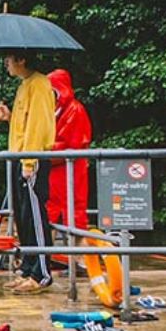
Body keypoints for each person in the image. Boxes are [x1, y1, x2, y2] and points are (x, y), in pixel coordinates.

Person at [0, 53, 56, 294]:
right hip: (19, 156)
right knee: (22, 216)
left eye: (9, 59)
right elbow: (25, 124)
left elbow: (38, 126)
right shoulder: (24, 85)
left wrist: (29, 160)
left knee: (35, 215)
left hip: (32, 158)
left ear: (22, 59)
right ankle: (28, 268)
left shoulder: (40, 84)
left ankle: (42, 273)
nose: (6, 63)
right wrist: (9, 118)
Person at [44, 69, 92, 230]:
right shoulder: (53, 111)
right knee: (49, 215)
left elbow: (72, 144)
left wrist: (42, 152)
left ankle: (77, 254)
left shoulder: (75, 110)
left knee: (75, 217)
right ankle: (46, 254)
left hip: (72, 171)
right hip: (53, 172)